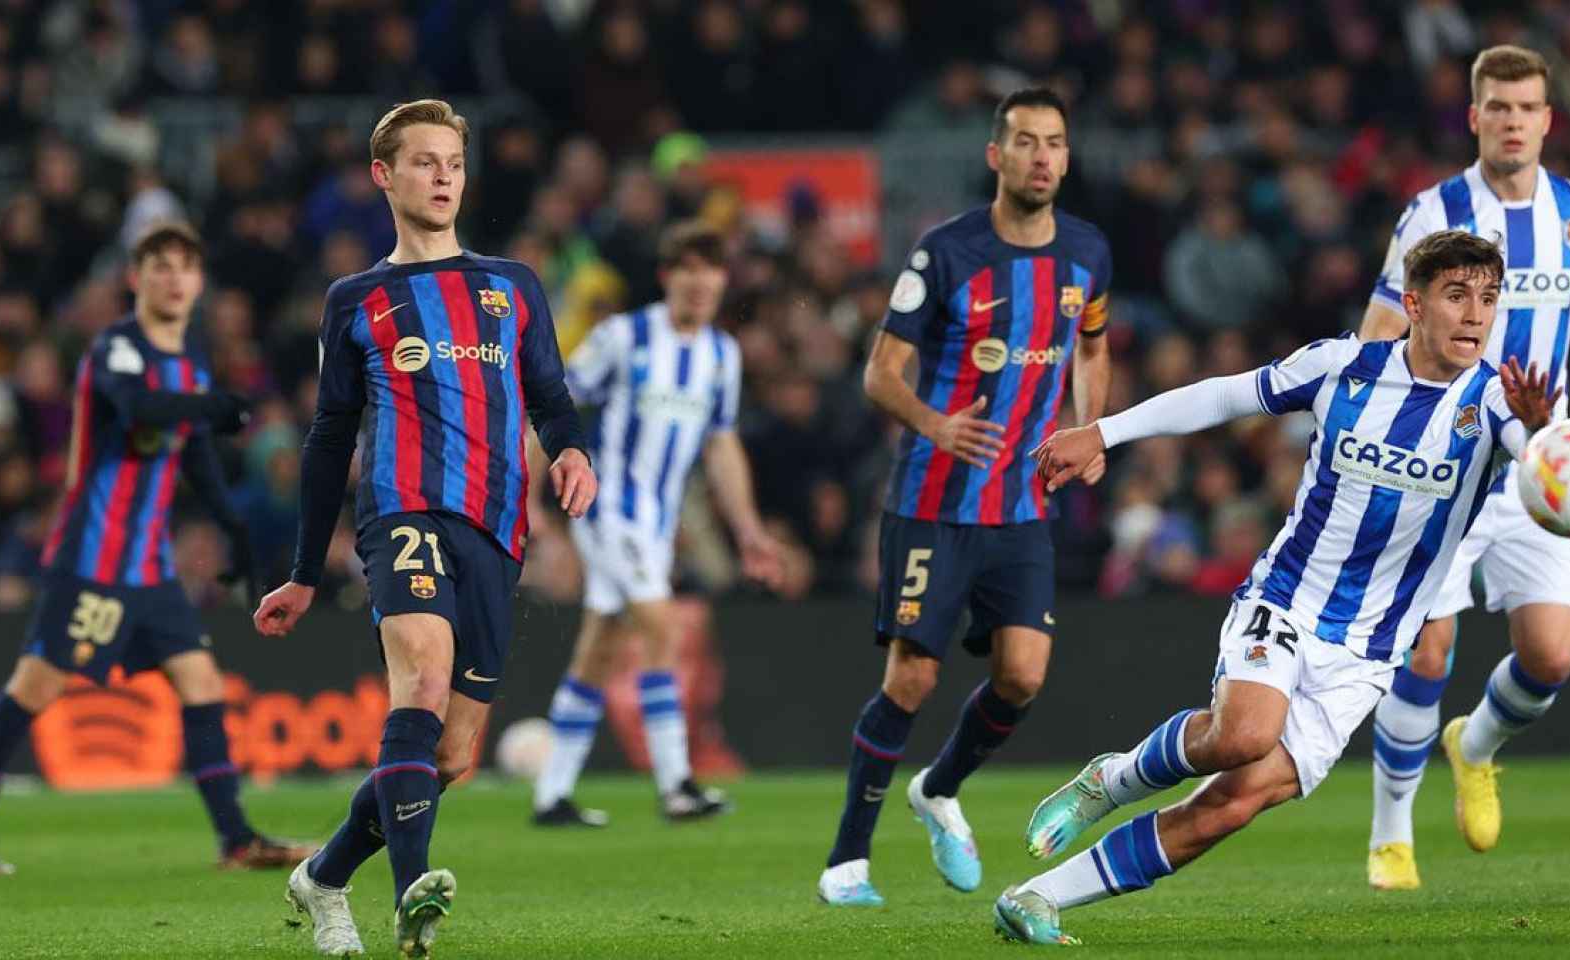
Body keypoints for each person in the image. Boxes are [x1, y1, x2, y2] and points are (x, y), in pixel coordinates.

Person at [993, 231, 1558, 945]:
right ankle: (1114, 779)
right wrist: (1104, 431)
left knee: (1232, 805)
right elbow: (1224, 396)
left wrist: (1545, 437)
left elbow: (1554, 484)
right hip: (1287, 601)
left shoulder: (1501, 406)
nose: (1474, 315)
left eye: (1486, 298)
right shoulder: (1343, 366)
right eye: (1456, 296)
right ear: (1413, 304)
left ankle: (1035, 898)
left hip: (1370, 651)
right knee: (1244, 735)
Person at [251, 99, 595, 959]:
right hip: (400, 510)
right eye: (424, 162)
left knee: (448, 757)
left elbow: (551, 395)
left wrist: (573, 452)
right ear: (384, 176)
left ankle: (324, 877)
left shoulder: (511, 286)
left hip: (496, 525)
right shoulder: (356, 300)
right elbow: (330, 437)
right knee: (423, 678)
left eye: (453, 162)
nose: (443, 176)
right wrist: (301, 569)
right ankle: (414, 896)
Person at [0, 221, 313, 876]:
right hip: (93, 562)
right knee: (36, 686)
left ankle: (237, 839)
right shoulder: (117, 349)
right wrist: (211, 404)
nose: (172, 279)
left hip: (150, 569)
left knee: (200, 682)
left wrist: (235, 527)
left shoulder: (189, 362)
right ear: (136, 280)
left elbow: (192, 449)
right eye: (159, 267)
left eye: (185, 268)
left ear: (198, 282)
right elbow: (140, 410)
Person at [818, 87, 1113, 907]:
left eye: (1055, 142)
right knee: (911, 681)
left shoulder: (1088, 253)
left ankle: (939, 787)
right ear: (997, 156)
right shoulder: (945, 252)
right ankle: (847, 861)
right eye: (1025, 142)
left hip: (1020, 507)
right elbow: (881, 372)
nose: (1042, 157)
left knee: (1023, 675)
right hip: (933, 502)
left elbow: (1092, 345)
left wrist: (1090, 429)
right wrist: (935, 424)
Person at [1358, 45, 1570, 891]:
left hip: (1539, 465)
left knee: (1549, 659)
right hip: (1444, 467)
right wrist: (1370, 436)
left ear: (1549, 118)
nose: (1513, 122)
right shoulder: (1435, 212)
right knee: (1427, 646)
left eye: (1527, 108)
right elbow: (1380, 325)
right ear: (1474, 118)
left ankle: (1473, 748)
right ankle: (1391, 835)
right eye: (1497, 108)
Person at [530, 221, 783, 827]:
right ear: (669, 276)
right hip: (609, 506)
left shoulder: (723, 355)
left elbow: (722, 447)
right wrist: (529, 501)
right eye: (688, 270)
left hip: (656, 521)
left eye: (712, 271)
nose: (700, 283)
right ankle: (677, 785)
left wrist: (747, 529)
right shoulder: (624, 336)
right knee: (663, 630)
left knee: (601, 648)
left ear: (723, 280)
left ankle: (552, 795)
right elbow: (554, 403)